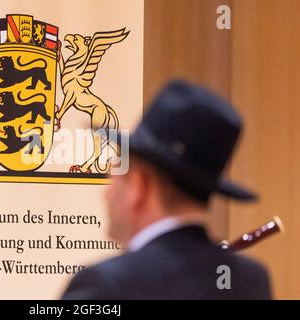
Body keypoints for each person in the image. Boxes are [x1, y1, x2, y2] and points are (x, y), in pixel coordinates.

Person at [62, 80, 272, 300]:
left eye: (115, 172)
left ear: (138, 185)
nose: (106, 192)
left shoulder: (105, 285)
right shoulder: (251, 280)